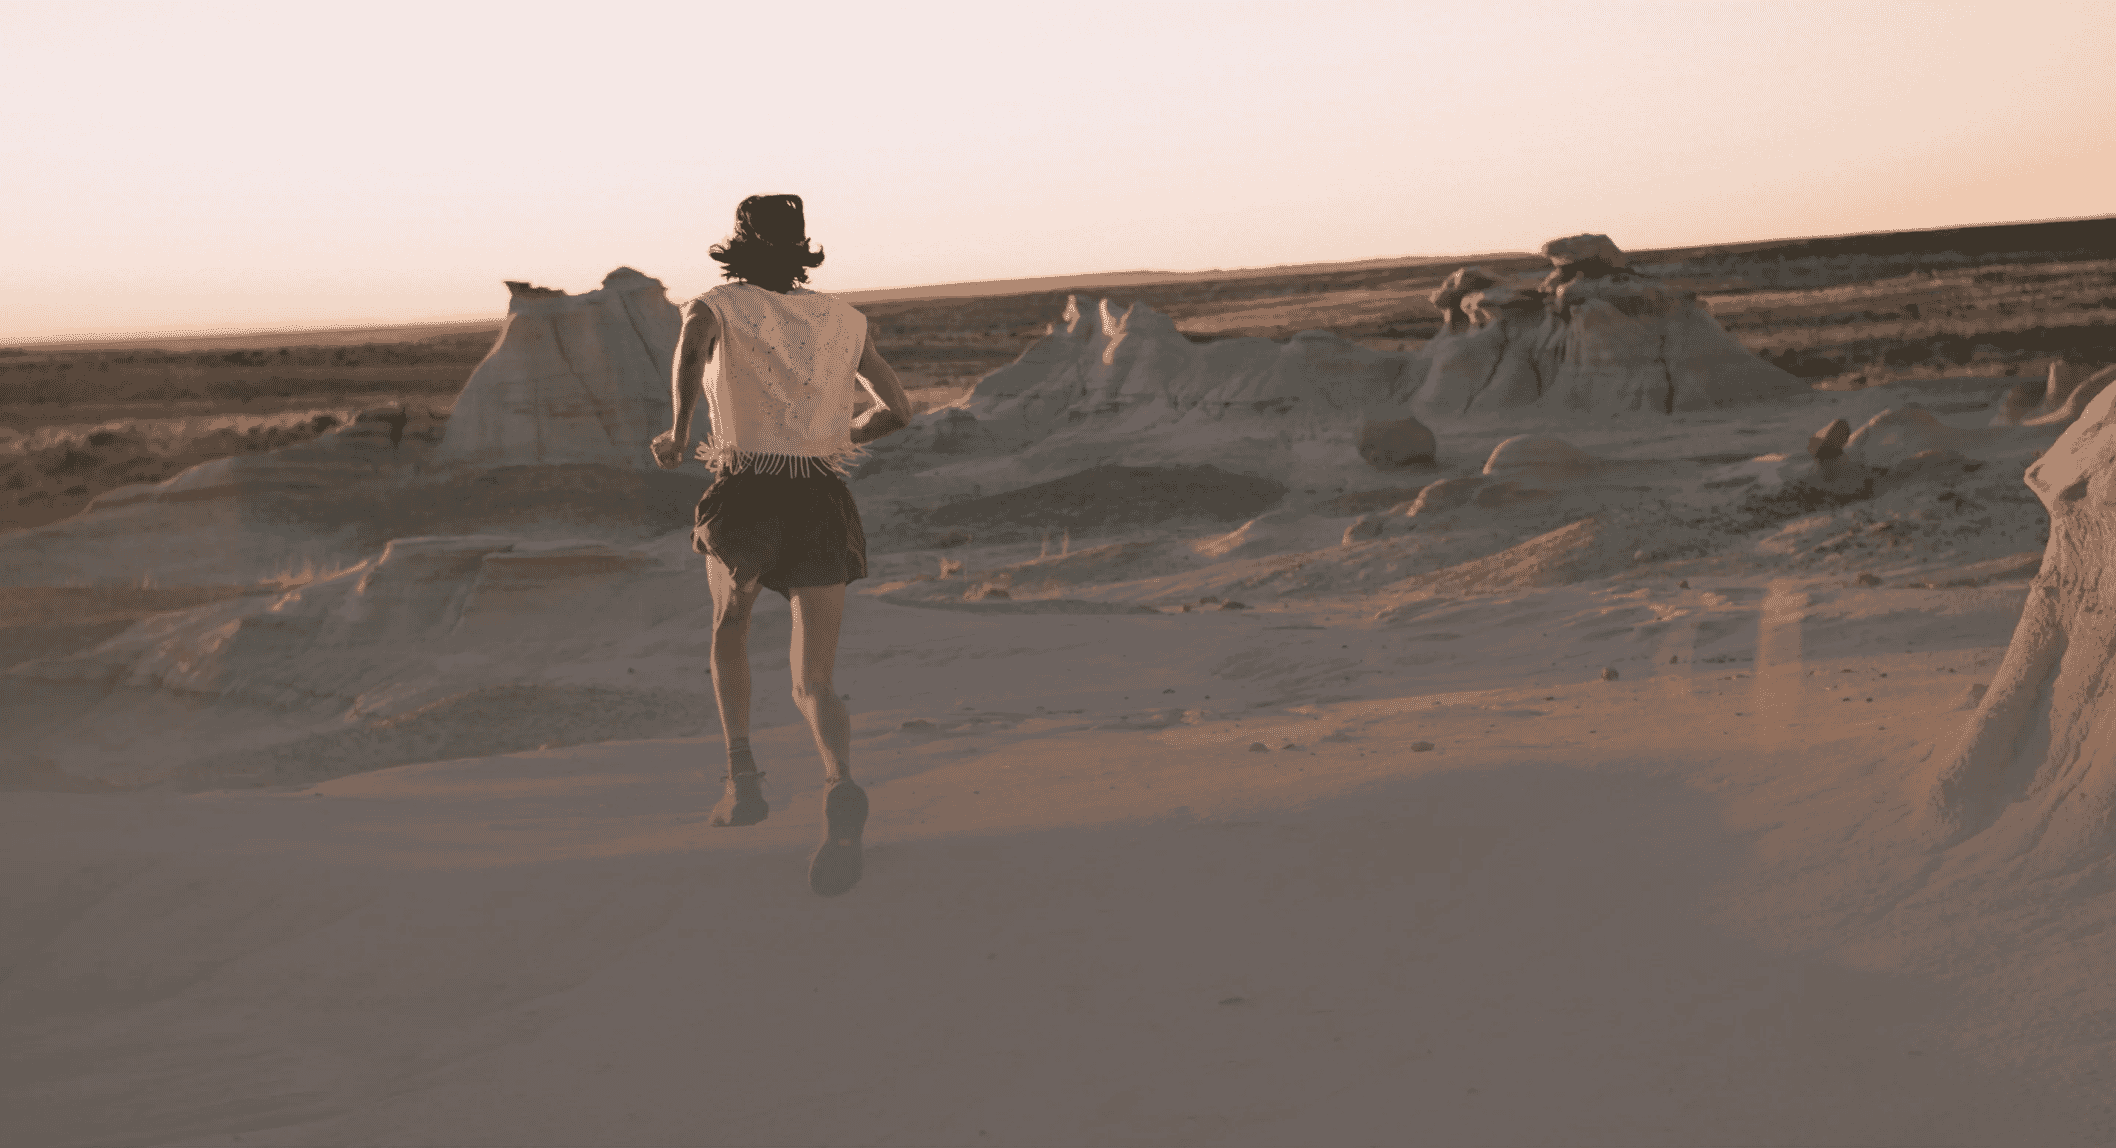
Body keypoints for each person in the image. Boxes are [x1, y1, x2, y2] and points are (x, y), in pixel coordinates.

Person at [650, 193, 914, 897]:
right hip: (821, 496)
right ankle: (840, 781)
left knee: (729, 626)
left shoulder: (715, 306)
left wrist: (678, 432)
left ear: (737, 246)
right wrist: (842, 434)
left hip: (747, 488)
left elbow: (689, 353)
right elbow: (898, 410)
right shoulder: (846, 319)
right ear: (802, 249)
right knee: (814, 681)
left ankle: (743, 779)